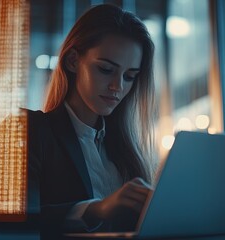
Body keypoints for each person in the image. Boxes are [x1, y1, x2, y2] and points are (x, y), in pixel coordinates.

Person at [27, 3, 157, 238]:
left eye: (129, 77)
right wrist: (96, 209)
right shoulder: (32, 131)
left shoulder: (126, 151)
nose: (117, 87)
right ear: (73, 61)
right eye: (106, 69)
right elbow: (16, 220)